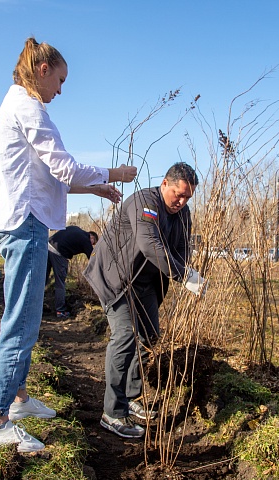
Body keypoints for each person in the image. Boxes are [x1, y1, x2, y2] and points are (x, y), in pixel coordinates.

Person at [0, 37, 137, 453]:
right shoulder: (28, 107)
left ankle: (19, 399)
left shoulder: (15, 105)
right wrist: (115, 172)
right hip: (24, 224)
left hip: (22, 219)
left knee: (25, 317)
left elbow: (48, 177)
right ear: (43, 69)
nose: (62, 89)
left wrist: (98, 189)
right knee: (23, 321)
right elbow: (64, 166)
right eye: (61, 79)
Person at [84, 162, 206, 439]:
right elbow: (149, 243)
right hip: (117, 277)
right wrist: (182, 275)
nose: (182, 201)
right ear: (165, 184)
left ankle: (131, 397)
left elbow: (183, 246)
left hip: (146, 283)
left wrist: (187, 268)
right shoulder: (144, 201)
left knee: (149, 336)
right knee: (126, 335)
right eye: (179, 194)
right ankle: (112, 413)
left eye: (188, 197)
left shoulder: (183, 213)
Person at [46, 226, 98, 318]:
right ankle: (60, 311)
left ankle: (36, 307)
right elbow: (92, 260)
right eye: (94, 243)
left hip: (47, 245)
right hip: (59, 252)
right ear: (92, 237)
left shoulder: (75, 228)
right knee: (60, 282)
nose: (92, 245)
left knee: (43, 279)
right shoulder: (86, 239)